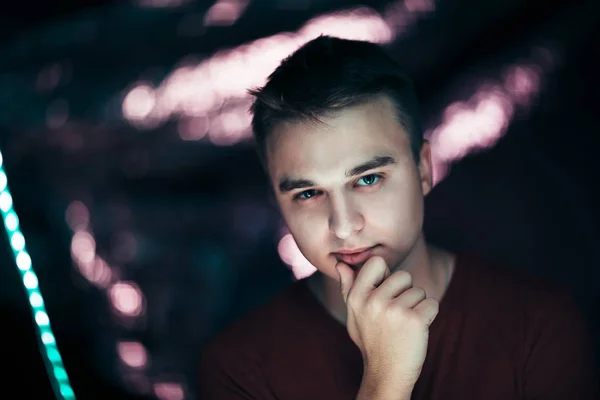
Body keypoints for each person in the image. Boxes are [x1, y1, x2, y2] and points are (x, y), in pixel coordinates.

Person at [198, 35, 598, 399]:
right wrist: (385, 380)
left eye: (368, 178)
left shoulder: (536, 325)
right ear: (278, 202)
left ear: (423, 169)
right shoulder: (239, 367)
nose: (343, 225)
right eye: (308, 193)